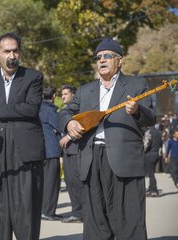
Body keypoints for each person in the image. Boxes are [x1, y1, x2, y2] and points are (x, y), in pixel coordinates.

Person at [58, 37, 155, 239]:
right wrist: (69, 123)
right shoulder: (85, 91)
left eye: (107, 56)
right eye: (98, 57)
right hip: (91, 160)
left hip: (124, 161)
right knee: (95, 223)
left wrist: (137, 110)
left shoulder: (136, 85)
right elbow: (65, 112)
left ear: (119, 60)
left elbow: (151, 118)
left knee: (129, 220)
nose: (102, 60)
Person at [0, 32, 45, 240]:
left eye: (15, 50)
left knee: (26, 211)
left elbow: (30, 109)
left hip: (25, 152)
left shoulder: (33, 77)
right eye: (6, 51)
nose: (12, 55)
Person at [58, 84, 83, 223]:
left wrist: (69, 137)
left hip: (76, 150)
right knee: (69, 182)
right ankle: (76, 211)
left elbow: (84, 126)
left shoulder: (78, 109)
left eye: (66, 94)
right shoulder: (65, 111)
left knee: (76, 182)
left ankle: (80, 213)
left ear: (73, 95)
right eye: (62, 94)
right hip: (67, 151)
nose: (63, 96)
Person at [39, 86, 62, 221]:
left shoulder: (38, 109)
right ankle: (48, 211)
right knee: (52, 183)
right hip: (52, 150)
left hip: (42, 150)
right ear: (53, 96)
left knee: (45, 182)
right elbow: (59, 127)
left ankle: (43, 209)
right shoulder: (50, 110)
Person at [143, 125, 162, 197]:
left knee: (150, 174)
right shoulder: (159, 132)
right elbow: (161, 143)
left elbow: (147, 144)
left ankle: (153, 190)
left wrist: (143, 151)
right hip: (156, 154)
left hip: (149, 155)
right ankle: (151, 188)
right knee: (152, 172)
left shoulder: (149, 132)